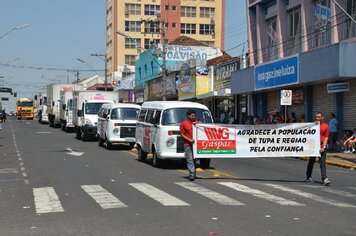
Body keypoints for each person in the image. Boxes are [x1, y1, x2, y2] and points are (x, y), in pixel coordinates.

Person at [306, 112, 330, 185]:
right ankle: (308, 177)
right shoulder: (312, 126)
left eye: (318, 117)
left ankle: (324, 178)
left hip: (321, 147)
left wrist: (324, 147)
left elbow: (326, 137)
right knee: (311, 162)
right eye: (316, 117)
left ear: (322, 118)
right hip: (313, 147)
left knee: (322, 163)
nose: (317, 118)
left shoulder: (326, 126)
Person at [180, 110, 200, 181]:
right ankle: (191, 173)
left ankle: (194, 173)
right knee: (190, 159)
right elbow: (182, 134)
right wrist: (189, 140)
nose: (194, 117)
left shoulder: (198, 123)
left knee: (195, 159)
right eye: (192, 115)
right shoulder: (184, 124)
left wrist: (196, 125)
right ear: (188, 116)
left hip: (196, 145)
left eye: (194, 115)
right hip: (187, 144)